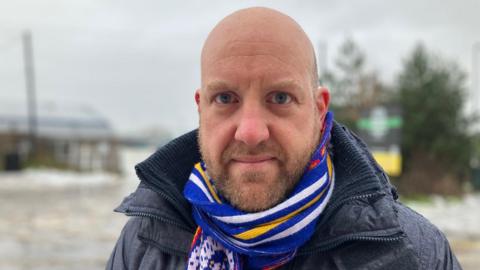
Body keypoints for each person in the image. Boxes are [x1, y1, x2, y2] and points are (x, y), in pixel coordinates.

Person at [107, 7, 461, 270]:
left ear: (319, 110)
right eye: (225, 99)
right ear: (202, 110)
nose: (250, 132)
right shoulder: (144, 242)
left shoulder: (413, 253)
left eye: (279, 98)